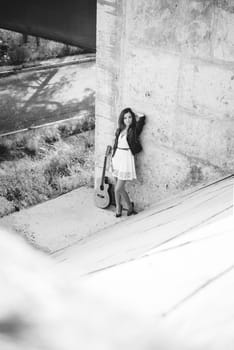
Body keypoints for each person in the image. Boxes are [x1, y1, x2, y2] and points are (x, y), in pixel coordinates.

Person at [111, 107, 146, 217]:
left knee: (117, 189)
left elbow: (142, 118)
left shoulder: (134, 130)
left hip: (126, 159)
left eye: (130, 117)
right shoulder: (119, 130)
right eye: (125, 117)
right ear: (122, 119)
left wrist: (134, 112)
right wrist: (111, 159)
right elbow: (115, 146)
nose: (128, 119)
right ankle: (128, 207)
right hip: (117, 158)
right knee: (120, 188)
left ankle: (119, 206)